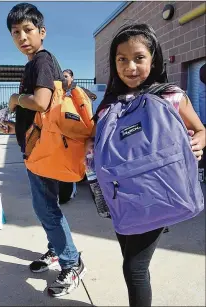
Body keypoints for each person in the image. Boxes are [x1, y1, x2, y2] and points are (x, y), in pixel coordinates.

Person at [90, 24, 206, 307]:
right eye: (122, 59)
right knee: (130, 260)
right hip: (123, 196)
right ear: (113, 62)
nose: (130, 67)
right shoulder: (107, 106)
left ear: (153, 59)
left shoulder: (171, 96)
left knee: (134, 267)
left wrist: (199, 142)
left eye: (138, 57)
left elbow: (200, 129)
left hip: (158, 192)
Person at [1, 3, 86, 298]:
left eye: (27, 30)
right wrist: (15, 128)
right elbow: (42, 114)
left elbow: (40, 102)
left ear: (42, 32)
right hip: (38, 146)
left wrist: (14, 98)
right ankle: (56, 248)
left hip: (42, 152)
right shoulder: (36, 63)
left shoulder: (41, 60)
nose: (22, 36)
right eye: (15, 32)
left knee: (46, 208)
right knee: (48, 205)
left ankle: (71, 262)